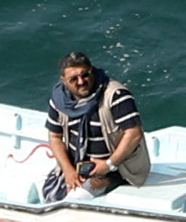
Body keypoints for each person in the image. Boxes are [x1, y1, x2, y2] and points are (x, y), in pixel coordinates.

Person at [42, 51, 147, 198]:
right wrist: (68, 170)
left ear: (93, 70)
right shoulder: (59, 100)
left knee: (75, 198)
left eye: (85, 74)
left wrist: (108, 165)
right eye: (73, 79)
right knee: (51, 195)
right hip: (76, 167)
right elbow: (55, 136)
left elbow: (134, 133)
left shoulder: (115, 95)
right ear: (63, 80)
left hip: (116, 169)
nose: (81, 81)